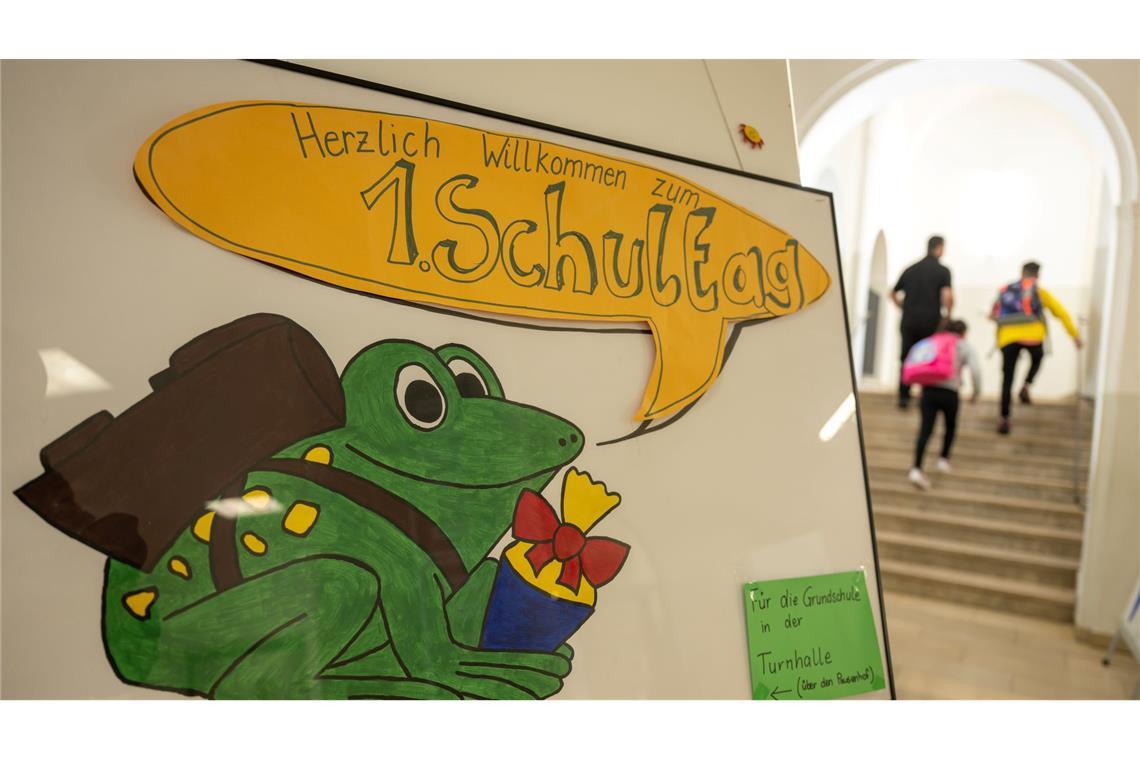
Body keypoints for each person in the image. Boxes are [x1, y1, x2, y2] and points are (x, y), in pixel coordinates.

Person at [991, 261, 1082, 435]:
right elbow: (1061, 313)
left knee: (1007, 379)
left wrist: (1000, 341)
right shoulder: (1039, 292)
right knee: (1037, 358)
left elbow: (995, 314)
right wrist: (1075, 336)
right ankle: (1026, 384)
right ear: (1038, 275)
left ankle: (1004, 418)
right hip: (1033, 337)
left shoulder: (1006, 290)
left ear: (1021, 272)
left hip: (1008, 338)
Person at [908, 319, 981, 491]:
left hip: (928, 391)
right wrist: (976, 392)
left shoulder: (932, 341)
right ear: (963, 332)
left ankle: (916, 469)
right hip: (950, 392)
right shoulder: (963, 345)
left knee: (925, 430)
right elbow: (976, 370)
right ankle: (943, 459)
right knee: (950, 426)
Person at [892, 235, 954, 409]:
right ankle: (925, 396)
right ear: (939, 248)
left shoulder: (911, 269)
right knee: (928, 358)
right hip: (930, 321)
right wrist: (948, 316)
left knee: (906, 357)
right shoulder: (943, 271)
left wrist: (902, 307)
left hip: (909, 320)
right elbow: (947, 295)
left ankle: (904, 396)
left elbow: (893, 292)